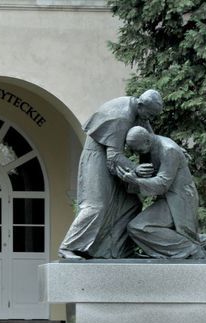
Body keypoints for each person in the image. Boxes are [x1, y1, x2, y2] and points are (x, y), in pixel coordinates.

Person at [58, 90, 163, 260]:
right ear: (141, 105)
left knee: (131, 204)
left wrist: (173, 149)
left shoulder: (138, 111)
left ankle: (122, 250)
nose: (149, 119)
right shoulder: (121, 116)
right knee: (96, 205)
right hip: (97, 158)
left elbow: (152, 139)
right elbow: (113, 157)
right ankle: (68, 246)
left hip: (112, 158)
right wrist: (135, 169)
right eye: (150, 114)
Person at [117, 126, 206, 259]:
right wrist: (136, 172)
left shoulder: (168, 149)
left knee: (139, 227)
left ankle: (194, 252)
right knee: (146, 227)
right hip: (168, 198)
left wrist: (135, 180)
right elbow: (152, 174)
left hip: (179, 198)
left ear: (147, 141)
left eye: (138, 150)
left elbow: (162, 184)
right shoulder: (148, 147)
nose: (137, 154)